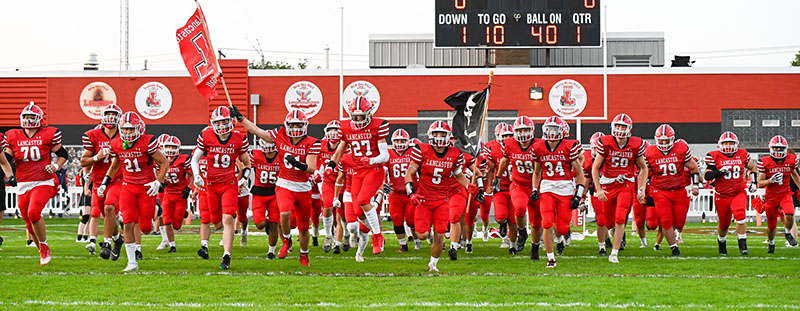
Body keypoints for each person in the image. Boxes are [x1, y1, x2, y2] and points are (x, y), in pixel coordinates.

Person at [231, 107, 319, 266]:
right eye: (292, 125)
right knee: (283, 213)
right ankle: (286, 240)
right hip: (284, 183)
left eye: (298, 125)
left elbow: (312, 168)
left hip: (303, 187)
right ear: (287, 125)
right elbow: (257, 131)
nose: (294, 128)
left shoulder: (312, 143)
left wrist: (298, 164)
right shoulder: (280, 134)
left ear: (305, 125)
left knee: (304, 228)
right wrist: (242, 119)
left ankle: (304, 255)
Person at [98, 111, 169, 271]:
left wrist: (158, 181)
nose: (128, 132)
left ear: (139, 129)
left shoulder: (147, 142)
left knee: (146, 228)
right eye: (125, 129)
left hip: (146, 188)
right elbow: (115, 165)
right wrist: (105, 183)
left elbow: (164, 163)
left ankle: (156, 209)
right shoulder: (117, 143)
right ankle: (132, 263)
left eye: (131, 129)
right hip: (128, 187)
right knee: (128, 223)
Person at [328, 96, 390, 255]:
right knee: (357, 211)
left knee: (363, 200)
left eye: (362, 115)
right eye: (355, 116)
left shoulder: (378, 126)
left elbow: (385, 155)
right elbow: (339, 150)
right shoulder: (346, 128)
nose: (358, 119)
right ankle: (376, 228)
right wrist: (330, 165)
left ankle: (377, 235)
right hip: (357, 172)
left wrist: (371, 160)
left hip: (374, 169)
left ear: (369, 113)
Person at [191, 106, 251, 269]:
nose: (222, 125)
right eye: (218, 122)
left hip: (229, 184)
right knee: (216, 222)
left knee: (228, 219)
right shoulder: (206, 136)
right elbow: (194, 159)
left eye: (224, 121)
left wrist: (243, 179)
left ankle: (226, 255)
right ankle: (216, 243)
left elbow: (247, 164)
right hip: (210, 184)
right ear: (213, 123)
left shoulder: (239, 138)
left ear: (230, 121)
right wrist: (197, 176)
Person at [405, 121, 470, 272]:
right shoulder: (422, 150)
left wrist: (468, 186)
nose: (439, 137)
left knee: (440, 234)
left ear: (449, 137)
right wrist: (411, 192)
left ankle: (433, 264)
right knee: (422, 234)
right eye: (436, 134)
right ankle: (428, 237)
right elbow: (410, 173)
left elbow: (459, 175)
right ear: (430, 135)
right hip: (423, 199)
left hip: (442, 199)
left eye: (442, 134)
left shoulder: (454, 154)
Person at [4, 102, 62, 265]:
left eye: (32, 117)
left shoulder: (49, 134)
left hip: (43, 181)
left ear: (39, 119)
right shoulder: (13, 135)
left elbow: (62, 154)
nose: (29, 120)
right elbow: (7, 157)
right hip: (24, 183)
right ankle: (41, 250)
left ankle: (44, 247)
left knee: (34, 212)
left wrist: (56, 166)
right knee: (28, 221)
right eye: (26, 117)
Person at [592, 113, 648, 264]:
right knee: (609, 222)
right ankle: (618, 234)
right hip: (609, 184)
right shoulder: (605, 142)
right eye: (618, 126)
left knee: (620, 218)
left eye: (623, 126)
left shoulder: (635, 144)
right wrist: (598, 189)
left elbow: (643, 167)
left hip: (626, 184)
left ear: (629, 129)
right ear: (612, 127)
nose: (620, 129)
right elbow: (595, 168)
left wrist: (641, 188)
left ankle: (614, 253)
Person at [531, 116, 585, 268]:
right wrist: (535, 188)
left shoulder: (570, 146)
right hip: (547, 187)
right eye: (549, 129)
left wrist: (578, 195)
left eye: (555, 129)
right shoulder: (539, 147)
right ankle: (551, 258)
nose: (552, 132)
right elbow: (537, 172)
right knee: (547, 223)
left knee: (562, 228)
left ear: (562, 131)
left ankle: (560, 239)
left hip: (565, 188)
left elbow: (580, 173)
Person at [643, 124, 701, 257]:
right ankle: (673, 248)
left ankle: (673, 238)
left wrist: (696, 184)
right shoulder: (650, 152)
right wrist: (641, 188)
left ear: (673, 139)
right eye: (661, 140)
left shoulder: (680, 149)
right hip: (660, 190)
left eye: (666, 140)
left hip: (679, 190)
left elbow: (694, 168)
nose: (664, 143)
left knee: (679, 222)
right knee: (665, 220)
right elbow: (644, 171)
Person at [80, 104, 125, 260]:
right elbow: (83, 161)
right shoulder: (93, 135)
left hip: (117, 179)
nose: (111, 117)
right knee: (105, 216)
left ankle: (106, 243)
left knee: (109, 208)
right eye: (108, 114)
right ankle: (117, 239)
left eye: (114, 114)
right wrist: (96, 157)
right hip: (98, 181)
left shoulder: (125, 134)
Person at [704, 131, 757, 255]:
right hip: (721, 195)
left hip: (738, 192)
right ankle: (721, 242)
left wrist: (754, 182)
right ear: (720, 144)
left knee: (740, 216)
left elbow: (752, 168)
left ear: (736, 144)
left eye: (731, 143)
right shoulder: (714, 156)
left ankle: (742, 244)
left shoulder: (742, 154)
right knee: (724, 223)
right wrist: (719, 172)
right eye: (726, 143)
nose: (728, 145)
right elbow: (707, 175)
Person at [495, 116, 541, 255]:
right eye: (520, 130)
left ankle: (535, 248)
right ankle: (522, 232)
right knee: (519, 209)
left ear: (532, 130)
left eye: (526, 130)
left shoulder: (540, 144)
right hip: (518, 184)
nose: (523, 134)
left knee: (537, 221)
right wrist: (498, 176)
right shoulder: (510, 144)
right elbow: (504, 161)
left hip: (536, 185)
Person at [756, 135, 800, 253]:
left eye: (781, 148)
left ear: (785, 148)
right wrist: (771, 181)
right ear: (771, 148)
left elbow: (794, 174)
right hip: (771, 197)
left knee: (790, 214)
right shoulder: (764, 162)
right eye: (776, 148)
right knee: (771, 226)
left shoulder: (791, 159)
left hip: (785, 193)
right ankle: (771, 243)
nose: (778, 151)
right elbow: (760, 183)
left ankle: (787, 233)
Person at [386, 129, 419, 252]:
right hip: (395, 193)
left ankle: (416, 238)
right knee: (396, 218)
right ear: (393, 141)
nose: (400, 143)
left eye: (403, 140)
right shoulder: (388, 153)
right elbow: (382, 171)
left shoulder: (413, 152)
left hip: (411, 193)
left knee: (411, 221)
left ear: (408, 141)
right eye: (397, 140)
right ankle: (403, 245)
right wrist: (384, 182)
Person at [158, 136, 192, 253]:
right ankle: (172, 245)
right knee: (166, 220)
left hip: (180, 195)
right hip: (168, 194)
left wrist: (189, 188)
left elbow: (191, 174)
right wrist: (160, 183)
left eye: (173, 147)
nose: (170, 149)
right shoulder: (160, 160)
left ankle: (183, 214)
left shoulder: (183, 160)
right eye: (168, 147)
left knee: (177, 225)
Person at [483, 123, 514, 246]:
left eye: (510, 136)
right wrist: (489, 185)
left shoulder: (519, 147)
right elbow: (490, 168)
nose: (507, 139)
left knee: (514, 218)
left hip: (515, 186)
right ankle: (503, 228)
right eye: (504, 136)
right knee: (500, 217)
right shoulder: (492, 148)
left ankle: (509, 241)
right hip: (500, 185)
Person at [249, 138, 281, 259]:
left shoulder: (282, 156)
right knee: (260, 224)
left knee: (274, 223)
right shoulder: (255, 155)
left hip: (275, 193)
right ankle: (267, 224)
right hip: (259, 192)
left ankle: (271, 251)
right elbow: (243, 163)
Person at [318, 120, 340, 252]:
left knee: (342, 214)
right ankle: (328, 236)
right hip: (328, 181)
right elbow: (318, 162)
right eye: (330, 129)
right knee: (327, 207)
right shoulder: (321, 145)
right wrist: (317, 173)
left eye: (336, 130)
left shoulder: (346, 146)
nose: (333, 133)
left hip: (344, 182)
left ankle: (346, 236)